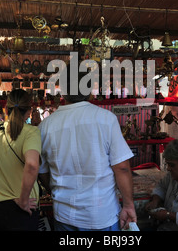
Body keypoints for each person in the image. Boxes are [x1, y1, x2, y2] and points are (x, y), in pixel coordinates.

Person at [38, 64, 137, 231]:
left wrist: (56, 192)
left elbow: (42, 172)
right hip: (101, 214)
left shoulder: (46, 126)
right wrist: (128, 205)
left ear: (62, 89)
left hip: (64, 214)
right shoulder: (106, 119)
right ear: (90, 89)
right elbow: (122, 168)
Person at [0, 89, 42, 231]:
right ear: (29, 111)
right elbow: (32, 164)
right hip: (21, 210)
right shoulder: (31, 132)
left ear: (6, 109)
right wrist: (23, 200)